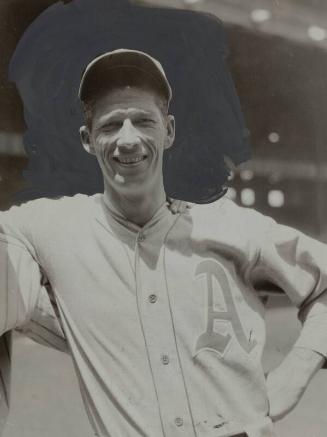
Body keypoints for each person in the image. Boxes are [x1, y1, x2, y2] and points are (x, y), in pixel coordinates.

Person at [0, 49, 326, 437]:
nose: (127, 139)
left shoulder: (230, 223)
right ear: (87, 140)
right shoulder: (46, 229)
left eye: (142, 121)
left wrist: (299, 367)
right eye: (110, 125)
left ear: (168, 131)